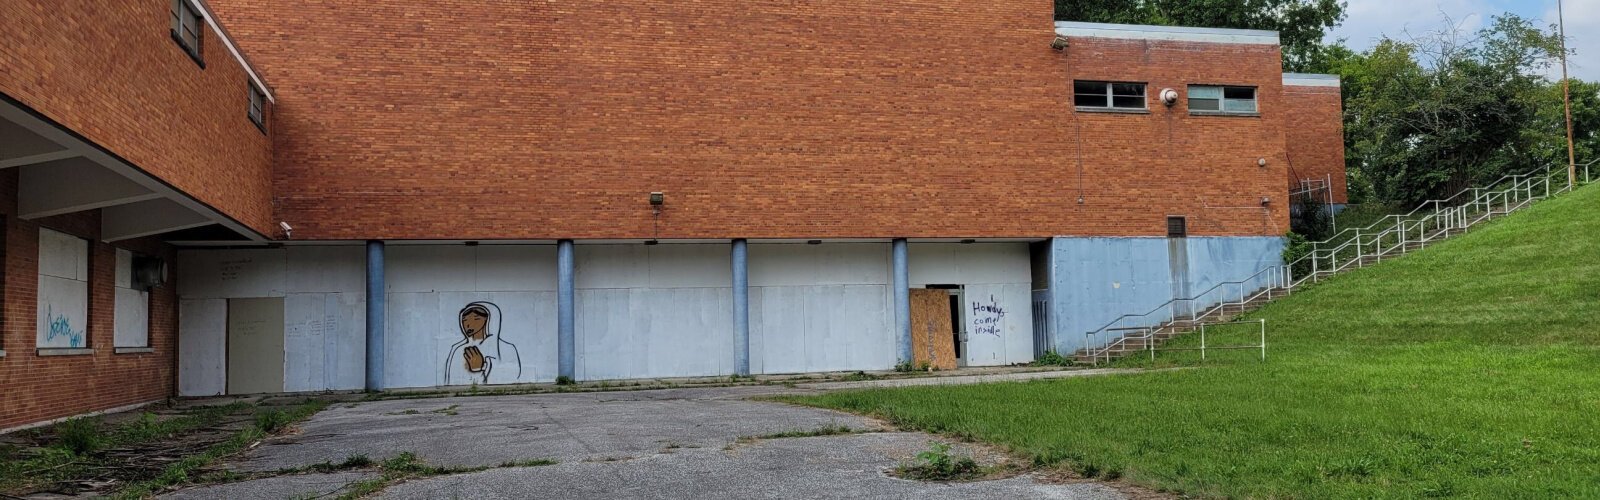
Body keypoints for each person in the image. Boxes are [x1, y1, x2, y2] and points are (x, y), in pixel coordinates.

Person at [444, 301, 522, 385]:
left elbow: (513, 378)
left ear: (488, 320)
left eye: (476, 319)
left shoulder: (507, 348)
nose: (468, 324)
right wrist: (476, 370)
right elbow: (452, 380)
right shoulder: (458, 349)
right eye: (464, 320)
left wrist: (478, 368)